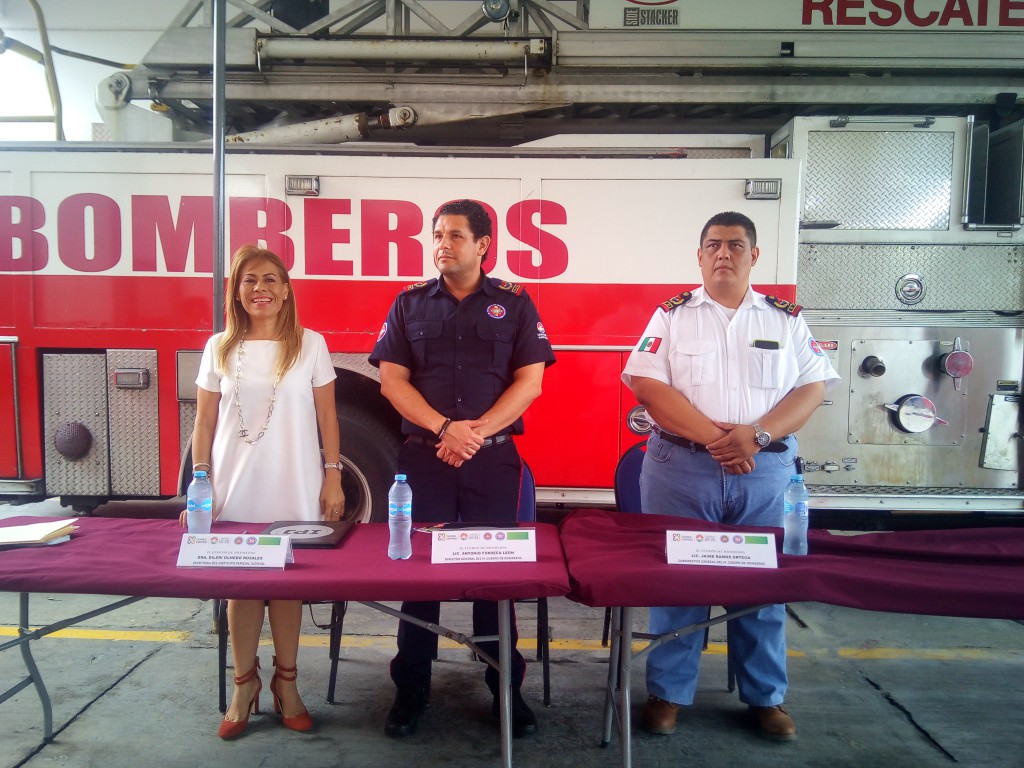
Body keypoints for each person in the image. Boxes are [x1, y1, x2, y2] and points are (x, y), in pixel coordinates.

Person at [621, 211, 839, 742]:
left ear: (753, 255)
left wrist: (756, 437)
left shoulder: (785, 319)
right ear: (699, 256)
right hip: (681, 470)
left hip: (765, 472)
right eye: (714, 245)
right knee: (677, 582)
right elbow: (647, 385)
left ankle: (766, 698)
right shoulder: (672, 316)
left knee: (762, 586)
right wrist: (721, 443)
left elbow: (812, 388)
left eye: (735, 245)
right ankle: (667, 694)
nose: (724, 254)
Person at [369, 199, 555, 739]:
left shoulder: (515, 303)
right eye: (437, 235)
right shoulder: (408, 303)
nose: (442, 244)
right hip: (424, 461)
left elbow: (530, 382)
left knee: (493, 574)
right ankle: (411, 691)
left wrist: (471, 434)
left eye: (454, 235)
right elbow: (392, 381)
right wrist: (444, 428)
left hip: (492, 461)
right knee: (418, 576)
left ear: (483, 245)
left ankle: (505, 690)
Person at [180, 244, 344, 739]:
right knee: (243, 585)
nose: (260, 289)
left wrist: (333, 476)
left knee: (288, 585)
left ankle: (287, 684)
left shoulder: (311, 344)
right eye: (249, 280)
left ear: (286, 290)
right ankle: (244, 685)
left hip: (295, 482)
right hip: (234, 485)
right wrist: (200, 483)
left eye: (271, 279)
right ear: (236, 291)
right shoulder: (218, 347)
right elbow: (203, 423)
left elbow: (328, 416)